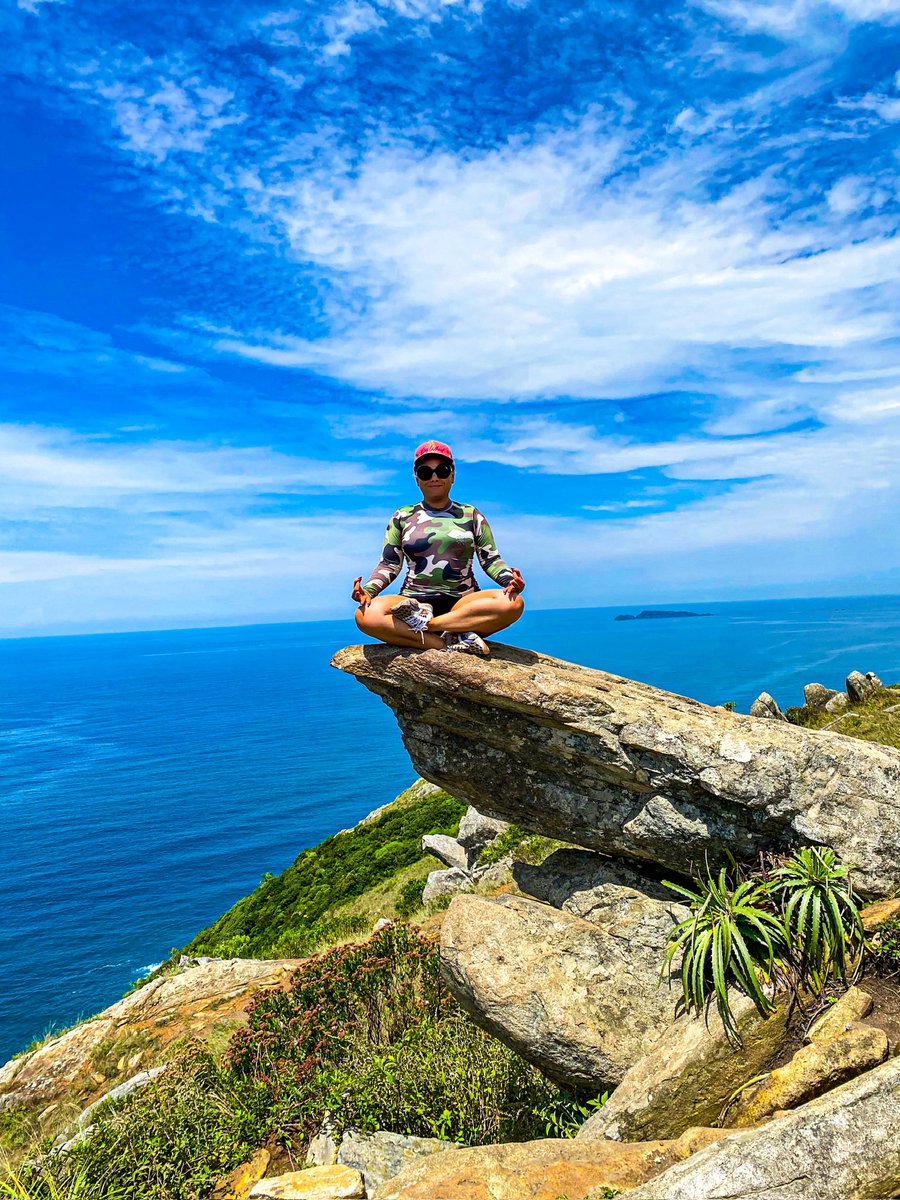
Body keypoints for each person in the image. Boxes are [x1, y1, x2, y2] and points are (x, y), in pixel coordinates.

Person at [351, 440, 526, 657]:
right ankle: (449, 641)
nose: (434, 477)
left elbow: (490, 559)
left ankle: (429, 626)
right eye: (425, 472)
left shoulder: (471, 515)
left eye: (442, 470)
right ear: (417, 479)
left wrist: (509, 581)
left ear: (452, 475)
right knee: (365, 615)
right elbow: (390, 563)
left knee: (513, 604)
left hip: (464, 603)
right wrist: (368, 591)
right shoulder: (402, 516)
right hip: (412, 602)